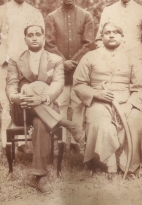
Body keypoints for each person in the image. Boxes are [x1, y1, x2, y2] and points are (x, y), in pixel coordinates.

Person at [6, 25, 85, 193]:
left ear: (43, 38)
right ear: (25, 39)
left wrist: (42, 98)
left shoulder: (55, 60)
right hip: (23, 109)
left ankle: (40, 176)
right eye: (30, 35)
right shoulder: (15, 60)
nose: (34, 37)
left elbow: (57, 85)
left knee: (42, 124)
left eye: (38, 34)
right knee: (27, 87)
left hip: (46, 105)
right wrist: (16, 97)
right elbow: (11, 85)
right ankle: (66, 124)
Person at [73, 21, 142, 178]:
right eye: (107, 32)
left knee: (135, 119)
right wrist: (97, 94)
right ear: (101, 37)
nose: (111, 35)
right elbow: (79, 84)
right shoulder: (90, 56)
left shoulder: (132, 58)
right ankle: (107, 164)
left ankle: (130, 166)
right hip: (99, 102)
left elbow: (139, 87)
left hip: (126, 102)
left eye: (115, 32)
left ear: (122, 37)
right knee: (100, 120)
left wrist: (130, 105)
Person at [0, 0, 45, 149]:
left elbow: (41, 40)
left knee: (27, 102)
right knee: (7, 103)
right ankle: (7, 143)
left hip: (28, 66)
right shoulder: (0, 11)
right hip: (6, 65)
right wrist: (4, 59)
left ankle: (25, 143)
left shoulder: (35, 13)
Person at [45, 0, 94, 148]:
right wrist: (62, 63)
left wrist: (73, 62)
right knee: (61, 103)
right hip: (60, 69)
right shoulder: (51, 17)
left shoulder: (86, 16)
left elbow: (89, 44)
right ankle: (62, 142)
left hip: (80, 70)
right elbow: (49, 44)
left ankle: (77, 142)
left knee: (78, 104)